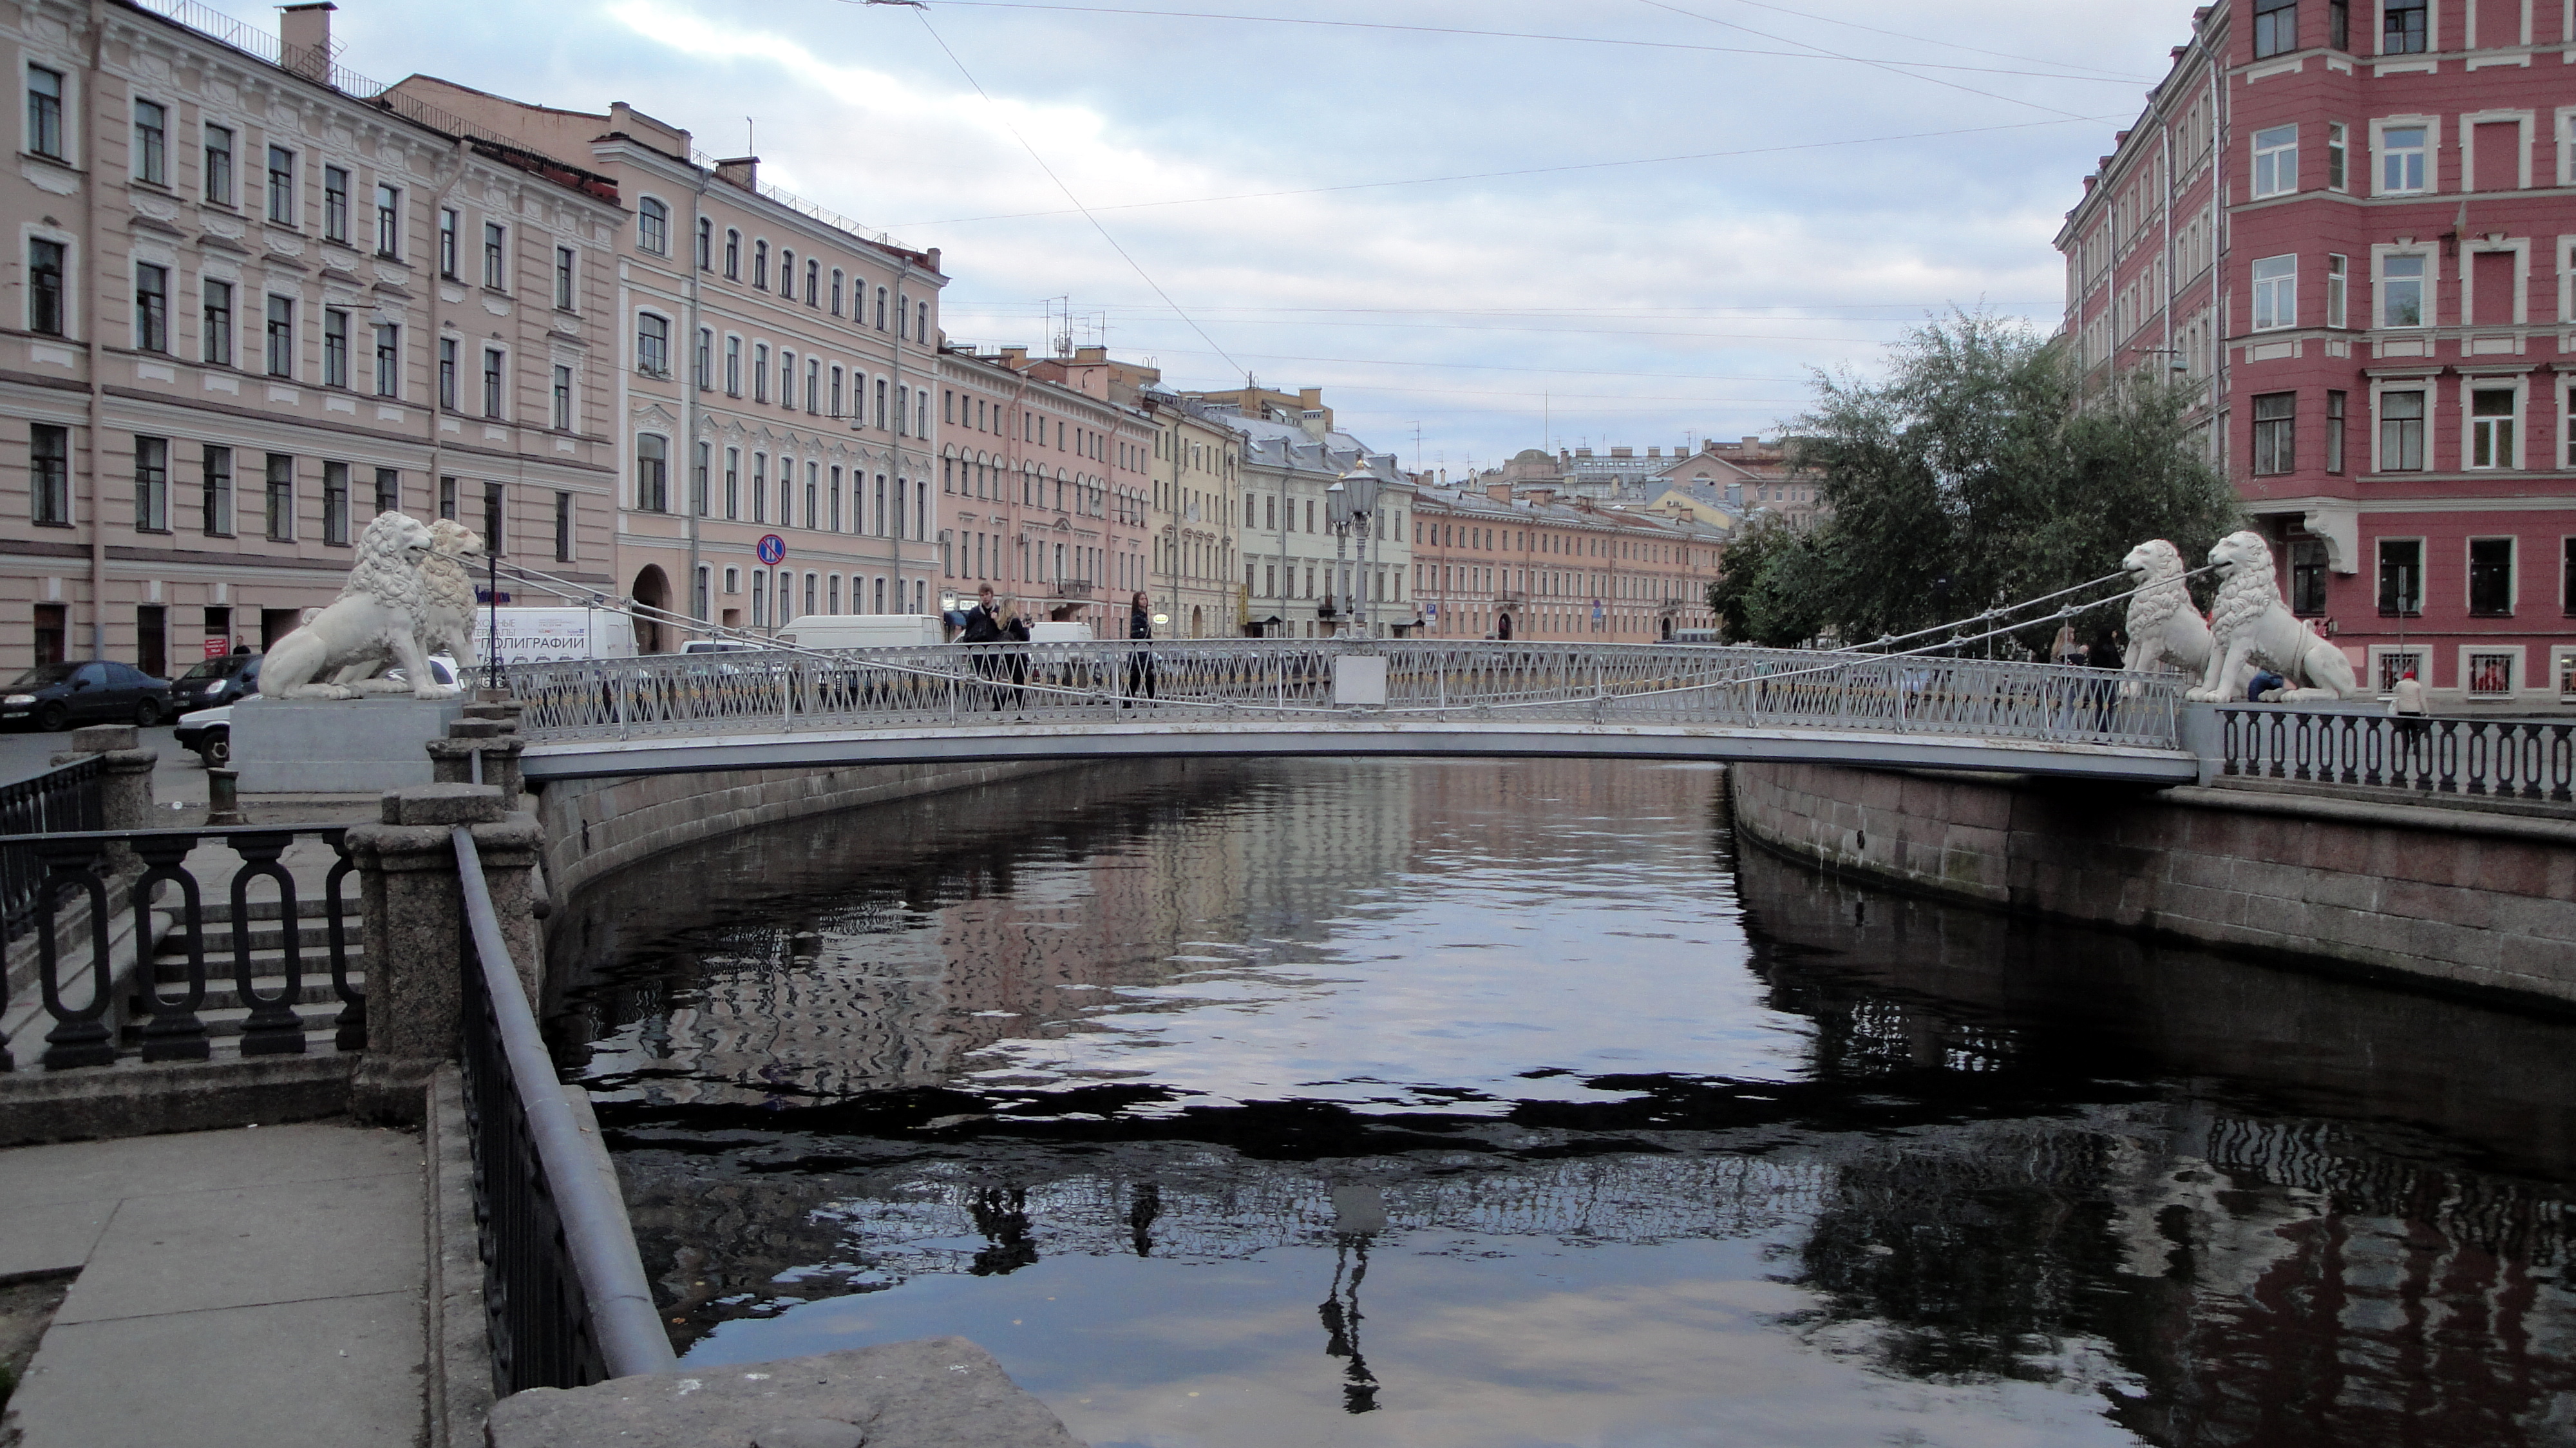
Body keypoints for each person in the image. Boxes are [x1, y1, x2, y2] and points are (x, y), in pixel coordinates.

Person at [1124, 591, 1157, 705]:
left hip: (1143, 652)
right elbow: (1135, 634)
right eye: (1142, 599)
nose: (1145, 601)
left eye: (1145, 599)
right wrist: (1147, 637)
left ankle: (1128, 702)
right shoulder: (1137, 616)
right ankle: (1151, 703)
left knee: (1139, 677)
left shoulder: (1143, 615)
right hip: (1140, 653)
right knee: (1144, 677)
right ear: (1137, 602)